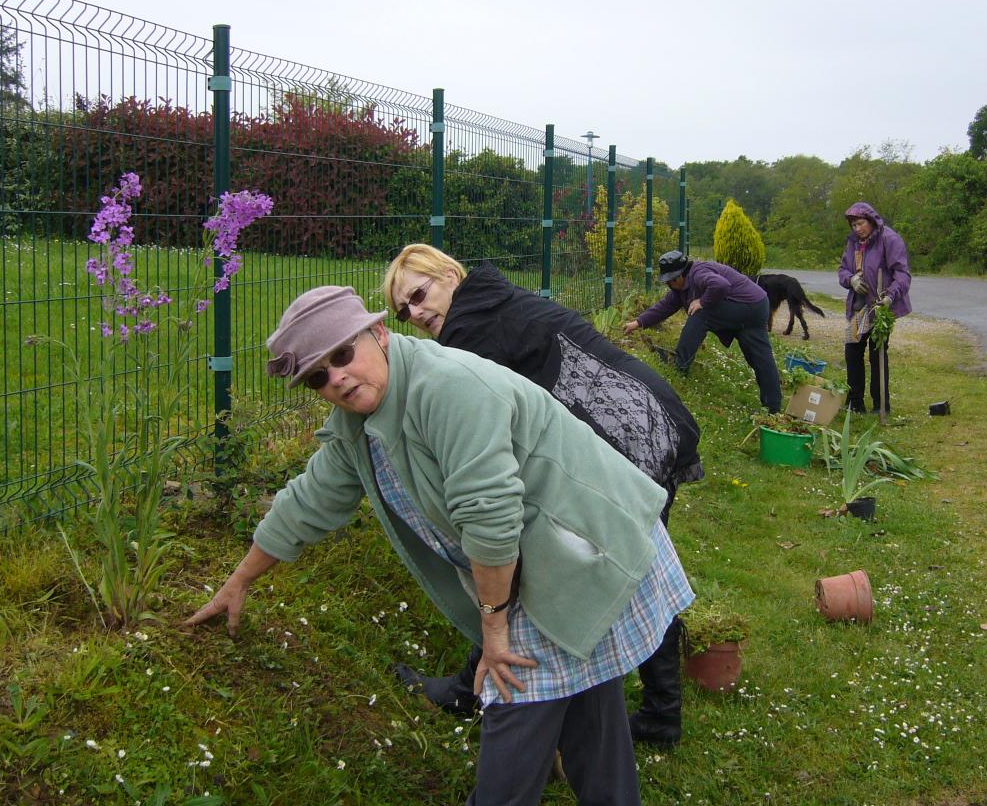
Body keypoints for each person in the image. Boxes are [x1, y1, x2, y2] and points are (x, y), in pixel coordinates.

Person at [184, 286, 692, 806]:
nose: (335, 377)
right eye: (318, 375)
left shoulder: (446, 387)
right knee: (590, 709)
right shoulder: (357, 422)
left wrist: (493, 627)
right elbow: (309, 500)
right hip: (547, 559)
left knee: (514, 709)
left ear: (378, 334)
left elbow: (490, 516)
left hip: (586, 548)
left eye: (341, 354)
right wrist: (240, 579)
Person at [382, 244, 702, 746]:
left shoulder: (468, 329)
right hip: (651, 409)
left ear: (448, 273)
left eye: (419, 295)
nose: (417, 314)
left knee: (617, 561)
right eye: (404, 311)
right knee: (638, 561)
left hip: (628, 430)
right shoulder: (492, 298)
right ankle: (660, 712)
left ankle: (484, 688)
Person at [622, 250, 782, 414]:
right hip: (757, 305)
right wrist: (638, 322)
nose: (668, 285)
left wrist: (703, 301)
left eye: (669, 281)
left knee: (700, 313)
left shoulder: (698, 273)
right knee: (759, 357)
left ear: (678, 276)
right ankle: (772, 409)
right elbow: (664, 306)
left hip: (749, 306)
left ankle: (680, 364)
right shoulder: (681, 288)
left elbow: (721, 285)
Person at [836, 202, 911, 414]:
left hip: (880, 307)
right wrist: (850, 280)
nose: (857, 229)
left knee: (877, 354)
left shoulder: (889, 239)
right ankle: (855, 403)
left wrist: (890, 296)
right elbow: (842, 270)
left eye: (860, 223)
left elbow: (903, 275)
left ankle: (881, 405)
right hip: (859, 308)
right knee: (852, 352)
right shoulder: (853, 243)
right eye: (853, 225)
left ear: (871, 220)